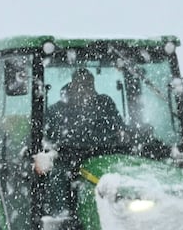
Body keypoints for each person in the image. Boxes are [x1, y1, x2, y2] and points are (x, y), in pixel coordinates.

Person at [36, 67, 125, 220]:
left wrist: (125, 135)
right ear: (72, 86)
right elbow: (46, 139)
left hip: (106, 156)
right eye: (81, 85)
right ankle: (61, 221)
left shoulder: (105, 104)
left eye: (89, 85)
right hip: (69, 159)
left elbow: (119, 129)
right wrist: (58, 148)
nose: (85, 89)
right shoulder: (57, 111)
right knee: (58, 176)